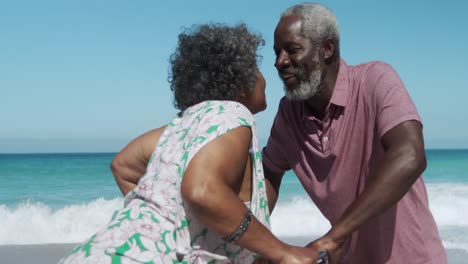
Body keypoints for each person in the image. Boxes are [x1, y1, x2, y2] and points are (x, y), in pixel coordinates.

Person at [59, 23, 318, 264]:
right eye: (256, 69)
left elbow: (123, 166)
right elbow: (202, 191)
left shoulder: (184, 126)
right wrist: (282, 252)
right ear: (241, 83)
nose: (264, 78)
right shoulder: (233, 113)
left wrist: (172, 218)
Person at [262, 3, 447, 263]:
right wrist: (254, 243)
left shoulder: (375, 80)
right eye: (277, 52)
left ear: (327, 49)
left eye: (292, 50)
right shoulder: (288, 113)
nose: (279, 62)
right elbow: (268, 173)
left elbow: (410, 155)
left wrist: (333, 237)